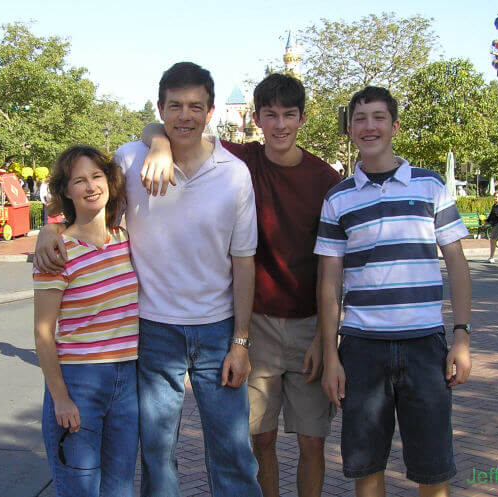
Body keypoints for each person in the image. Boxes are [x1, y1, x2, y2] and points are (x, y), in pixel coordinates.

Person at [33, 62, 262, 497]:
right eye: (174, 106)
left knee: (233, 451)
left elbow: (243, 260)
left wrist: (241, 340)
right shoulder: (131, 158)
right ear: (161, 108)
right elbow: (85, 195)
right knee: (157, 454)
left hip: (217, 330)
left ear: (211, 112)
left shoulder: (233, 174)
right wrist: (51, 225)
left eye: (195, 106)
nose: (185, 116)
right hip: (153, 331)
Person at [140, 73, 342, 497]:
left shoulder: (324, 180)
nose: (280, 125)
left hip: (307, 325)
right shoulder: (241, 160)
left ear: (303, 119)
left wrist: (327, 338)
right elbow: (176, 129)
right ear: (257, 118)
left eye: (289, 115)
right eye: (271, 115)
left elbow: (332, 269)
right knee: (258, 439)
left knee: (312, 440)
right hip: (256, 324)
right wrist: (158, 144)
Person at [316, 86, 471, 497]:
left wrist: (461, 335)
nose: (370, 127)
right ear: (350, 128)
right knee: (366, 468)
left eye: (379, 117)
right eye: (361, 119)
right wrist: (331, 354)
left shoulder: (431, 187)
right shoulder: (338, 199)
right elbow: (329, 282)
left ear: (395, 125)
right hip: (363, 349)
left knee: (433, 468)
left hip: (425, 346)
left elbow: (456, 261)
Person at [33, 145, 139, 496]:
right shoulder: (57, 251)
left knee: (119, 488)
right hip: (78, 382)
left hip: (126, 380)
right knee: (80, 489)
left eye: (97, 176)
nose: (91, 186)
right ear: (66, 191)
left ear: (109, 182)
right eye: (79, 180)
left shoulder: (126, 239)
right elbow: (43, 332)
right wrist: (60, 397)